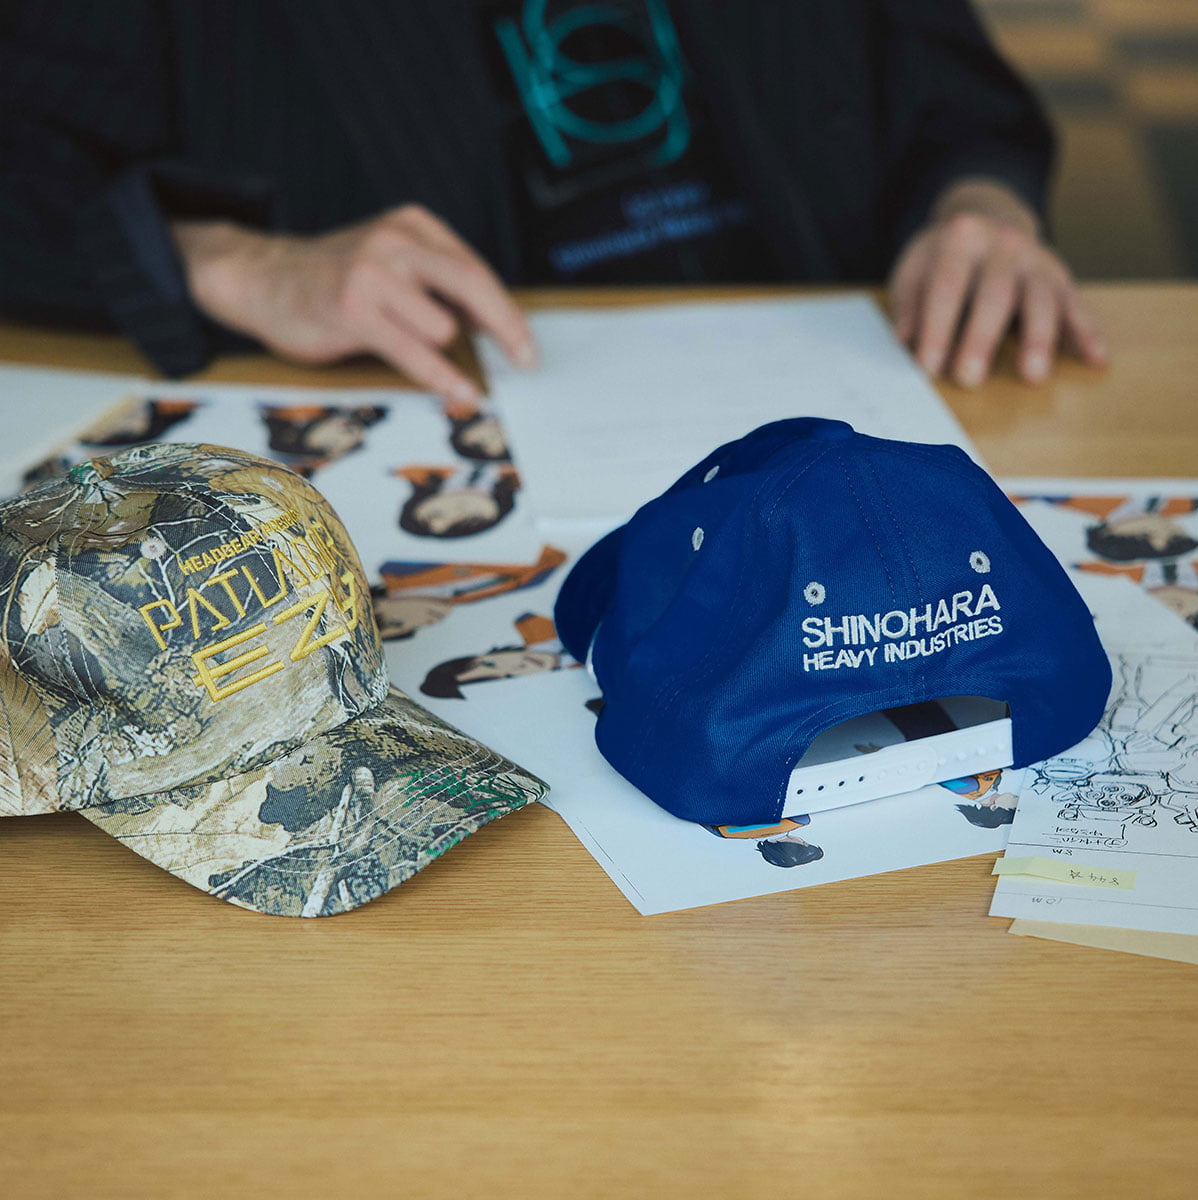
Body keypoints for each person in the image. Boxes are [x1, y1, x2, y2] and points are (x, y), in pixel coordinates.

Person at [0, 2, 1107, 401]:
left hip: (857, 392)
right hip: (451, 423)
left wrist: (983, 211)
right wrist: (231, 259)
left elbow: (958, 106)